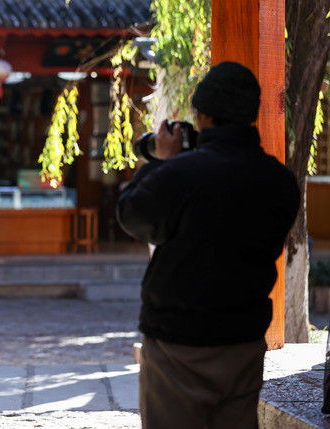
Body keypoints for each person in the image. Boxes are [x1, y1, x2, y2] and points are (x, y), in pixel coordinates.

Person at [116, 61, 300, 428]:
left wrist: (162, 162)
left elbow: (132, 214)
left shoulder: (182, 173)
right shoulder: (279, 181)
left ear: (202, 116)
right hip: (244, 341)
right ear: (250, 114)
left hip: (179, 344)